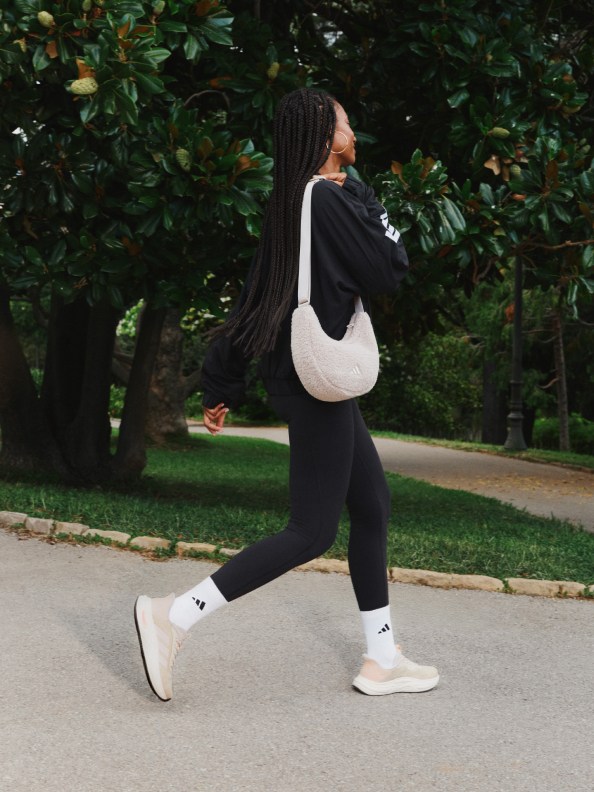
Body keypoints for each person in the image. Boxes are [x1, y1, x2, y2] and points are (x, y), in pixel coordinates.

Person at [134, 88, 439, 701]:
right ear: (326, 138)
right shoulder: (329, 198)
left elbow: (256, 297)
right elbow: (389, 267)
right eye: (346, 122)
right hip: (314, 378)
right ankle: (175, 615)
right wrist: (364, 193)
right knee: (310, 530)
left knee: (372, 504)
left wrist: (220, 381)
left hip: (307, 374)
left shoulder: (292, 204)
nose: (356, 129)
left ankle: (382, 657)